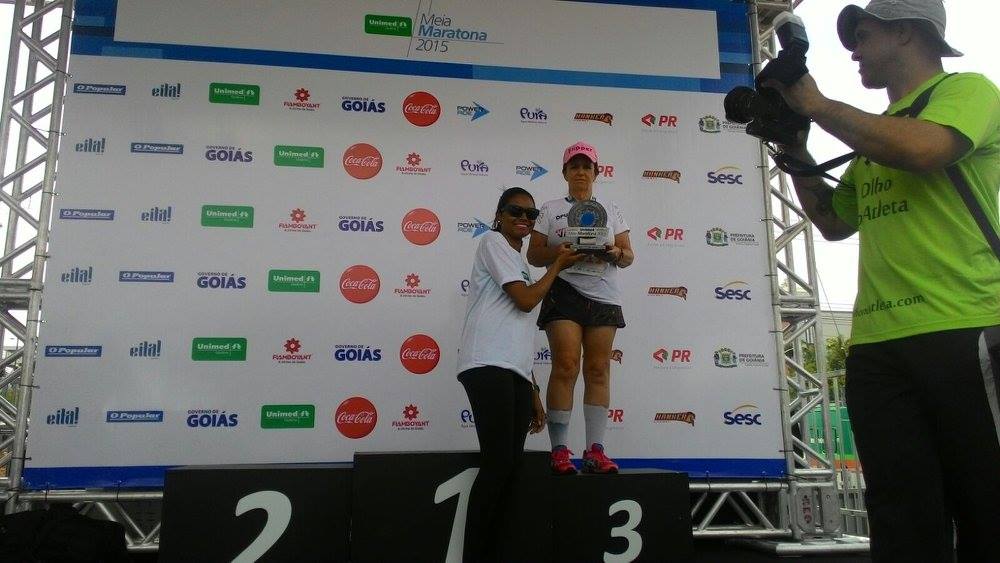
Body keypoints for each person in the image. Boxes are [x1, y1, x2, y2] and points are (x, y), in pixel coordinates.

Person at [768, 1, 1000, 561]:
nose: (853, 51)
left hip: (963, 327)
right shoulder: (874, 139)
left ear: (906, 33)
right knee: (901, 516)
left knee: (987, 505)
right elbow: (833, 221)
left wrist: (817, 105)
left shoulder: (968, 91)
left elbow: (923, 149)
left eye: (864, 35)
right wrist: (794, 146)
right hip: (876, 347)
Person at [457, 187, 583, 562]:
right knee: (498, 464)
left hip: (511, 370)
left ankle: (492, 550)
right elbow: (525, 301)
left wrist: (533, 390)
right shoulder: (492, 242)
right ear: (499, 214)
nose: (524, 219)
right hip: (486, 364)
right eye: (516, 211)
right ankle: (474, 555)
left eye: (531, 214)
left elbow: (518, 329)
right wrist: (556, 266)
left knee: (509, 467)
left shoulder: (519, 262)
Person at [527, 141, 634, 475]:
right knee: (566, 365)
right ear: (564, 173)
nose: (581, 172)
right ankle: (560, 451)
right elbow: (534, 255)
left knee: (598, 369)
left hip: (604, 294)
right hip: (564, 290)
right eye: (574, 166)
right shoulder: (550, 209)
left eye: (587, 166)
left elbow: (628, 255)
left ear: (596, 172)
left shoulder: (611, 209)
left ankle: (595, 451)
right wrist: (560, 254)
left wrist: (613, 253)